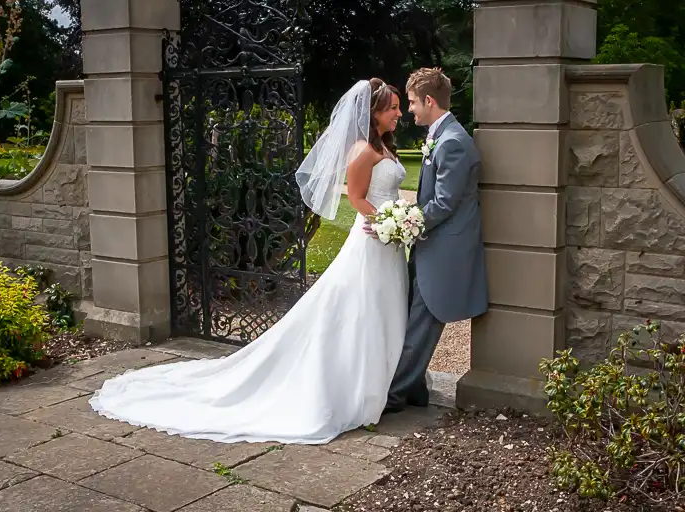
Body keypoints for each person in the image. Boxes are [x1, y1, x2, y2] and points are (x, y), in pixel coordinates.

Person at [89, 78, 409, 445]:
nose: (399, 113)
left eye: (399, 107)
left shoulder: (384, 146)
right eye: (392, 108)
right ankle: (356, 388)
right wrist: (388, 222)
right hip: (374, 238)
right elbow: (355, 197)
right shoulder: (363, 151)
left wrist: (397, 223)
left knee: (381, 308)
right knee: (359, 308)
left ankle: (384, 382)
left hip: (389, 240)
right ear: (374, 113)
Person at [377, 68, 488, 414]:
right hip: (430, 243)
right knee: (415, 316)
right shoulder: (443, 136)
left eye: (411, 102)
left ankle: (393, 396)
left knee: (421, 321)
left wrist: (405, 222)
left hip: (444, 249)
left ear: (428, 100)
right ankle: (415, 392)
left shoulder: (452, 141)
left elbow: (444, 202)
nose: (409, 110)